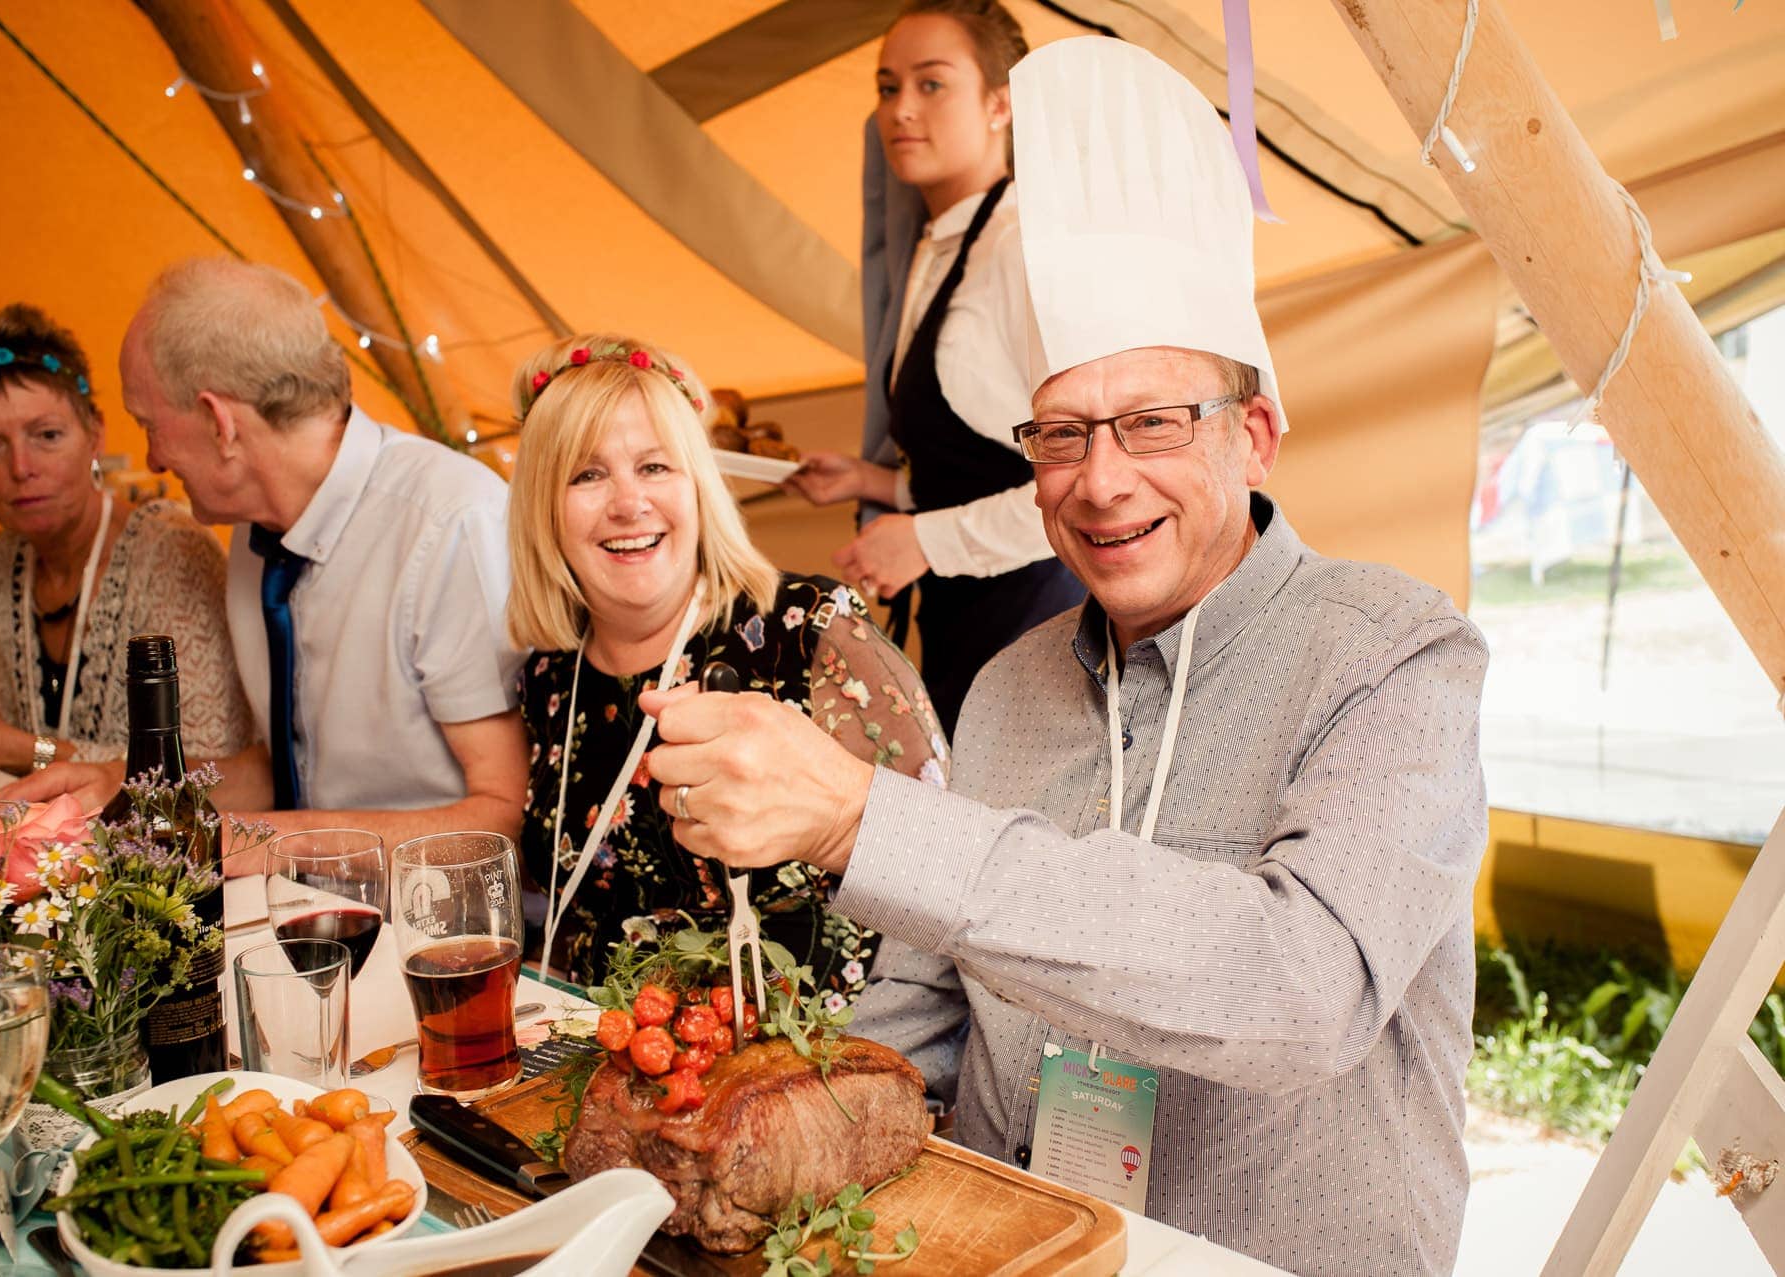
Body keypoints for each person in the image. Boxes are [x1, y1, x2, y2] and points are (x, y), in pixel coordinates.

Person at [637, 39, 1486, 1277]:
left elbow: (1308, 986)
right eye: (1063, 435)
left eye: (1152, 422)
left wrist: (855, 816)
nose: (1100, 481)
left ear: (1255, 434)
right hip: (1010, 1252)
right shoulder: (1008, 685)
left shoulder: (1396, 654)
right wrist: (766, 1133)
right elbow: (919, 1011)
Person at [6, 259, 527, 874]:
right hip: (312, 912)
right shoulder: (258, 531)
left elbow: (502, 816)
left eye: (150, 425)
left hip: (442, 939)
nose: (152, 458)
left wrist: (243, 844)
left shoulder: (450, 522)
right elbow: (289, 770)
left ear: (219, 422)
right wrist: (125, 789)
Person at [508, 333, 946, 994]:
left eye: (655, 467)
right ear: (545, 506)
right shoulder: (548, 678)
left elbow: (942, 865)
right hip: (605, 1063)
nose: (629, 503)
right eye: (587, 474)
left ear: (699, 487)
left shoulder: (809, 631)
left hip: (811, 1067)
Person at [782, 0, 1083, 734]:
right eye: (887, 89)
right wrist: (871, 482)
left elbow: (1084, 480)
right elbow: (987, 464)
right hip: (960, 628)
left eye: (931, 84)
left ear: (1000, 104)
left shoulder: (1023, 247)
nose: (901, 111)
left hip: (1042, 626)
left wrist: (922, 539)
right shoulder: (933, 248)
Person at [0, 304, 252, 771]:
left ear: (94, 435)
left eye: (47, 435)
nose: (22, 468)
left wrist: (11, 746)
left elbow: (211, 772)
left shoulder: (169, 551)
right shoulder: (6, 564)